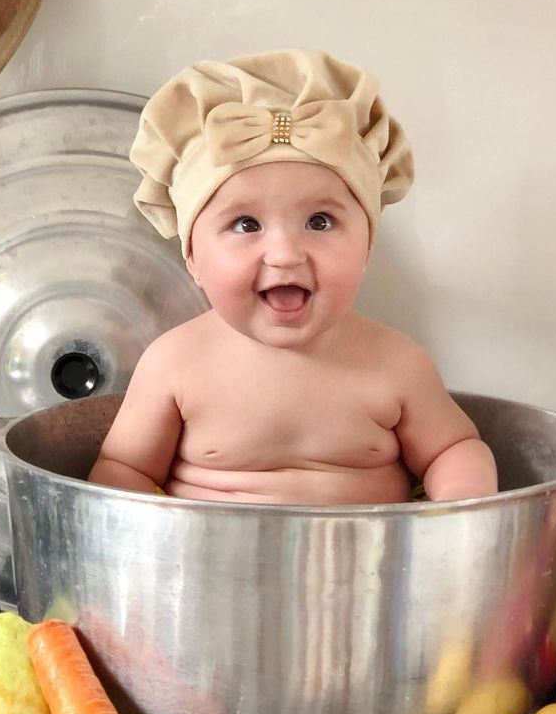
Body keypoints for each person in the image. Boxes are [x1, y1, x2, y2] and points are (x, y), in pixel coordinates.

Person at [88, 49, 497, 504]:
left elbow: (454, 448)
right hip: (203, 568)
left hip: (373, 569)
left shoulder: (399, 365)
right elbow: (123, 471)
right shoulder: (174, 365)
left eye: (320, 221)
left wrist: (460, 504)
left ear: (367, 246)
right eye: (246, 224)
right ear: (192, 258)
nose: (284, 254)